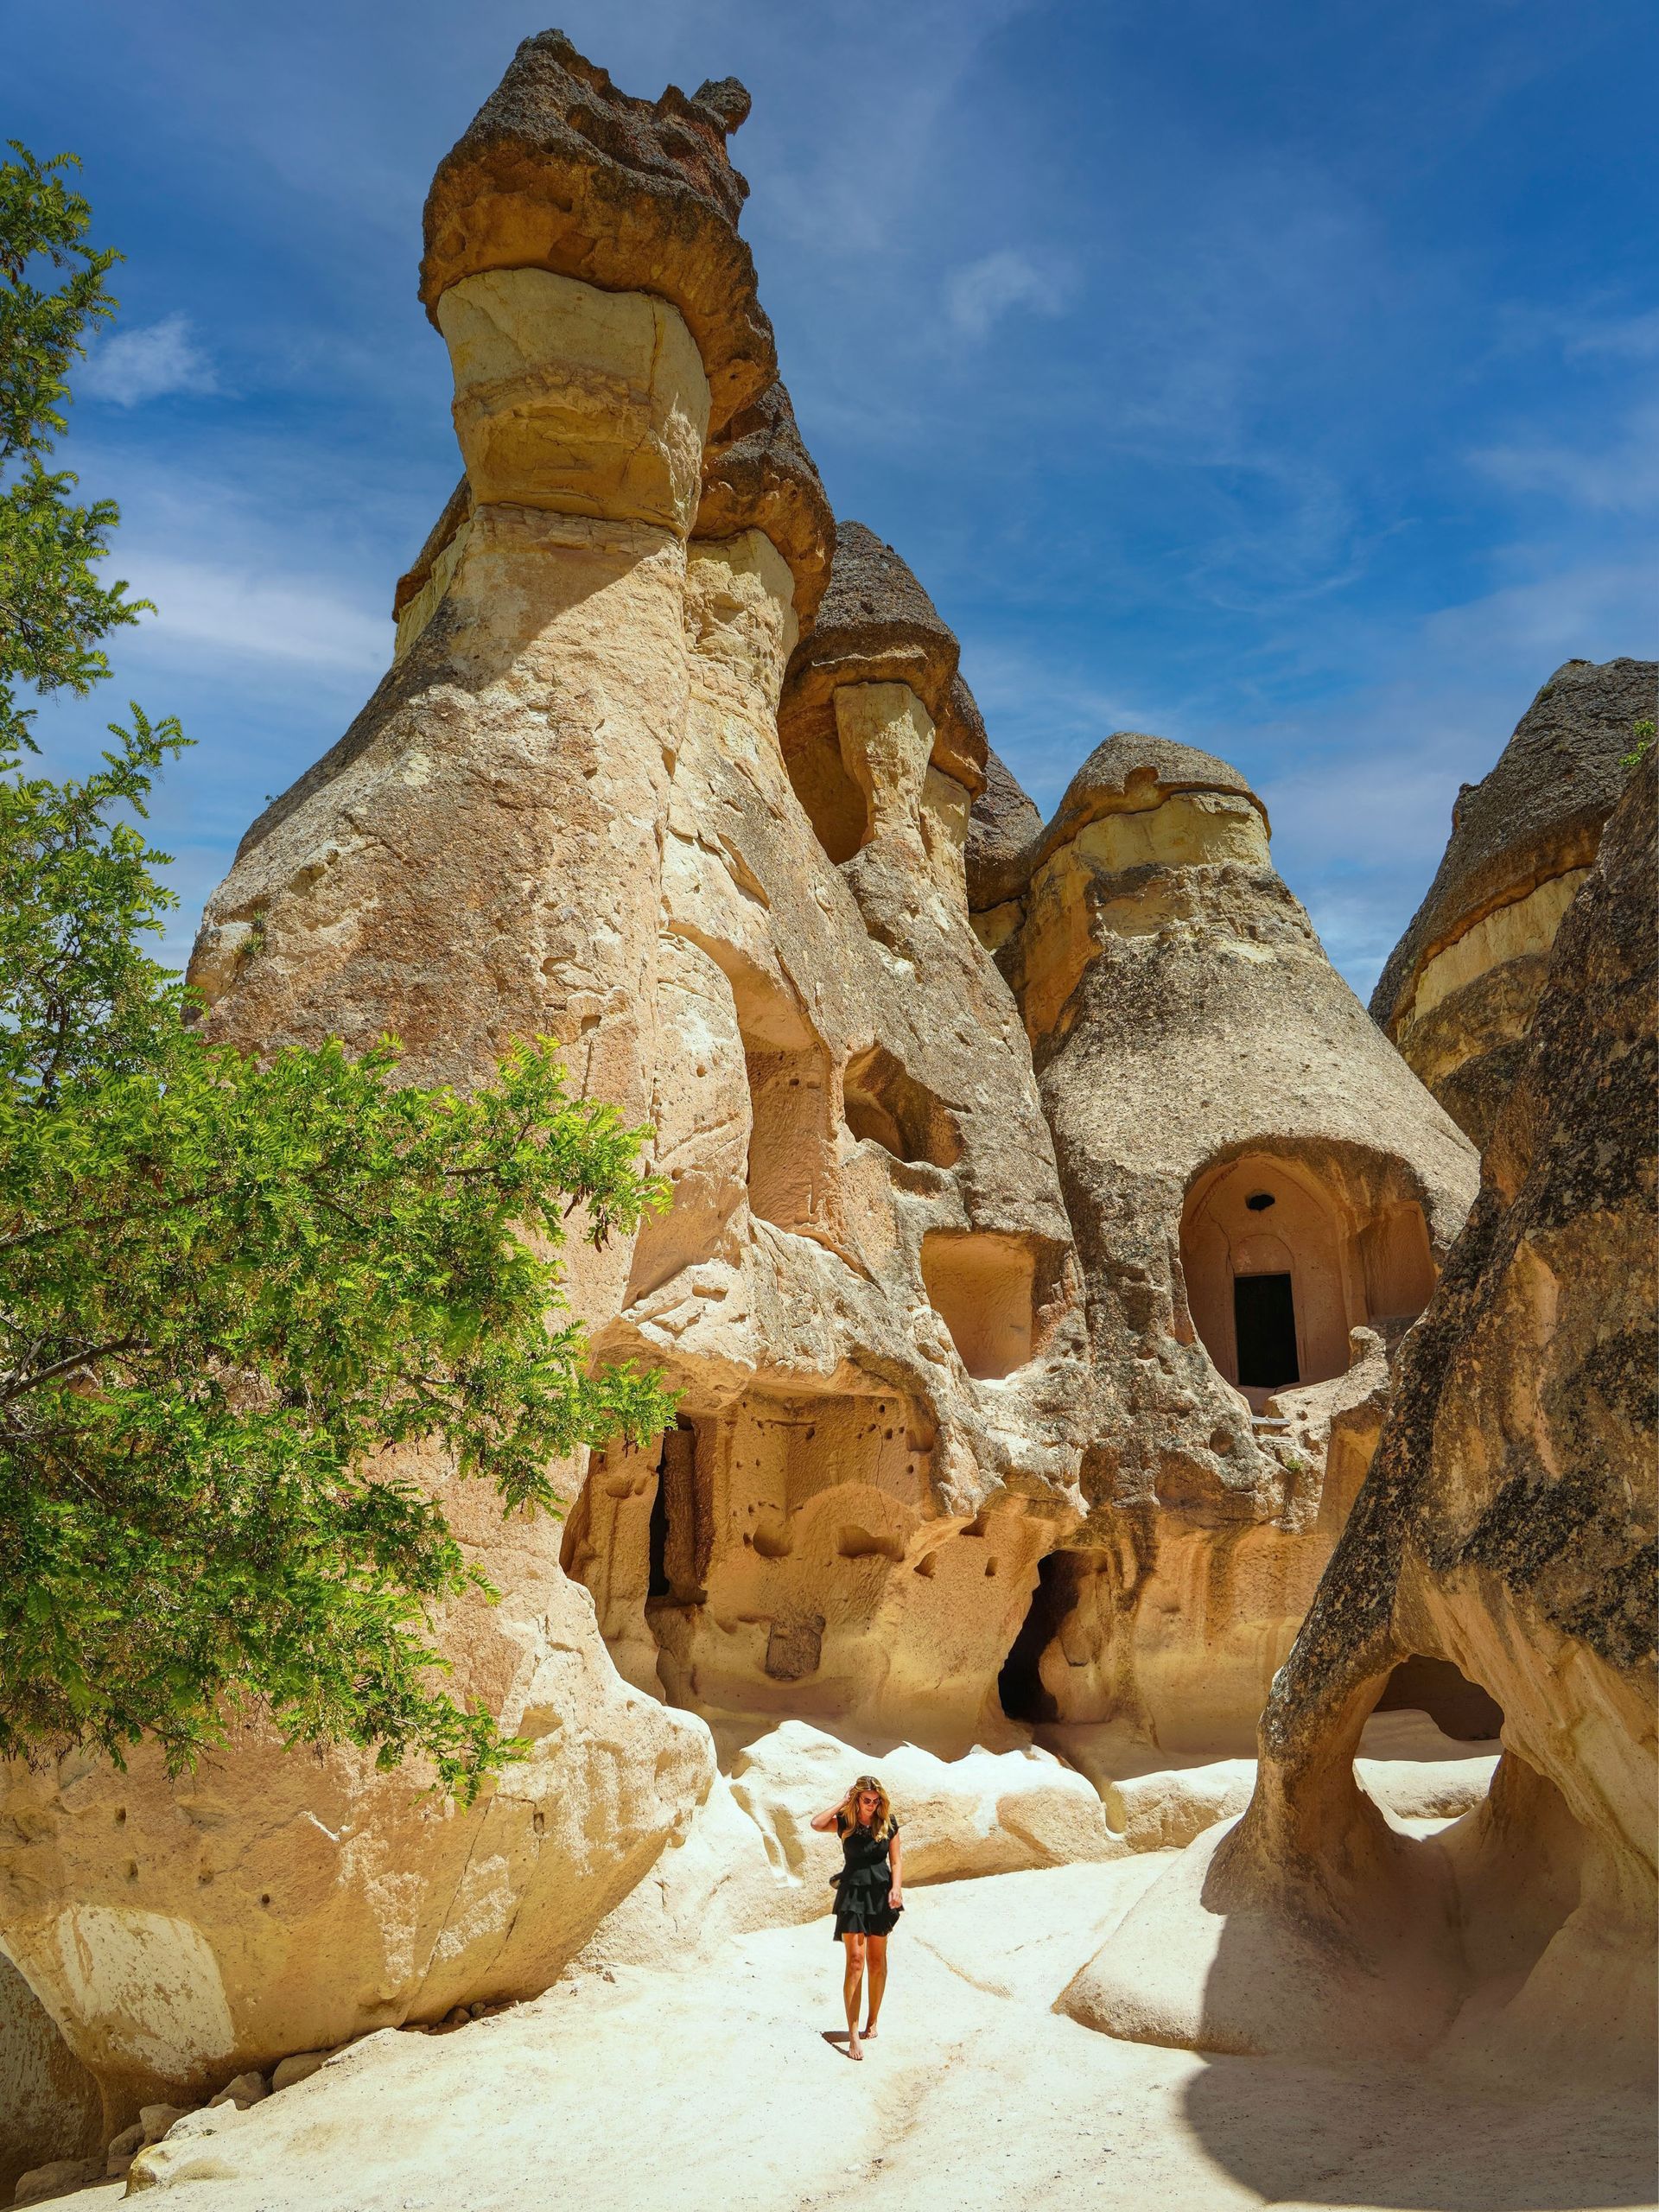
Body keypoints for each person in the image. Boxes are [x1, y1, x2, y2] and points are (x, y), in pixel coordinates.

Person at [810, 1773, 904, 2060]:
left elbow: (896, 1860)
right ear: (857, 1799)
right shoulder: (846, 1823)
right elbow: (816, 1824)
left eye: (875, 1801)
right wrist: (843, 1801)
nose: (871, 1805)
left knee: (876, 1961)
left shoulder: (887, 1823)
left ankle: (872, 2021)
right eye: (866, 1800)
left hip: (880, 1894)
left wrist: (896, 1888)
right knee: (855, 1962)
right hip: (852, 1896)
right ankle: (853, 2035)